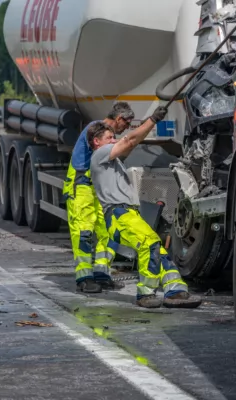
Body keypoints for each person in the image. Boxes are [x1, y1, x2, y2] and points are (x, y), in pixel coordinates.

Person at [88, 108, 202, 309]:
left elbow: (131, 143)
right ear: (97, 142)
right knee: (149, 245)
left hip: (127, 214)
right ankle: (145, 293)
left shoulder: (111, 161)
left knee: (158, 248)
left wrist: (144, 129)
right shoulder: (100, 154)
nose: (114, 140)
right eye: (109, 138)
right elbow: (130, 140)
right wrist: (152, 120)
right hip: (118, 214)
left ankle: (175, 290)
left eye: (114, 137)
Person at [62, 102, 135, 294]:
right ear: (119, 119)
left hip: (95, 187)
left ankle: (102, 273)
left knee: (107, 231)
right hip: (81, 186)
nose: (126, 128)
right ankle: (84, 277)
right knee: (83, 232)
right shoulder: (95, 131)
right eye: (126, 124)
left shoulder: (106, 136)